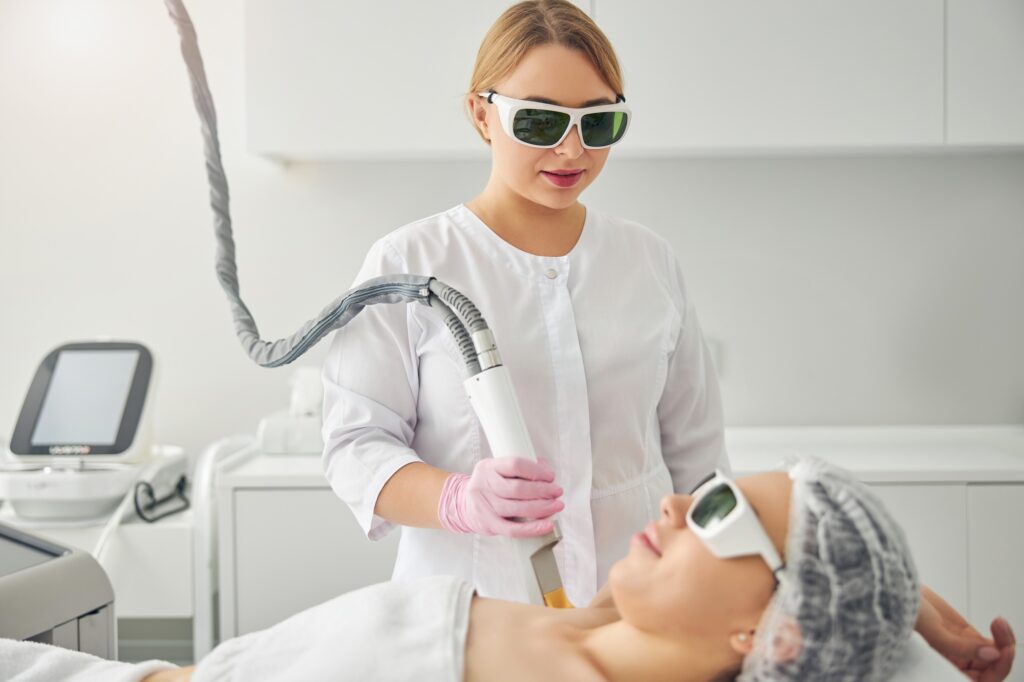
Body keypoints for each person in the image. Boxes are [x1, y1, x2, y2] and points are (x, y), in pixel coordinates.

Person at [321, 0, 727, 607]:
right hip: (473, 614)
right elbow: (354, 447)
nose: (572, 151)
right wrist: (458, 500)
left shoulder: (649, 261)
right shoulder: (408, 262)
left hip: (632, 613)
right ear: (482, 115)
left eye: (598, 124)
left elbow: (700, 460)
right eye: (540, 122)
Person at [2, 458, 1013, 680]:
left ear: (771, 636)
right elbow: (825, 595)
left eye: (719, 514)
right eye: (707, 486)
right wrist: (911, 610)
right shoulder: (596, 630)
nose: (674, 505)